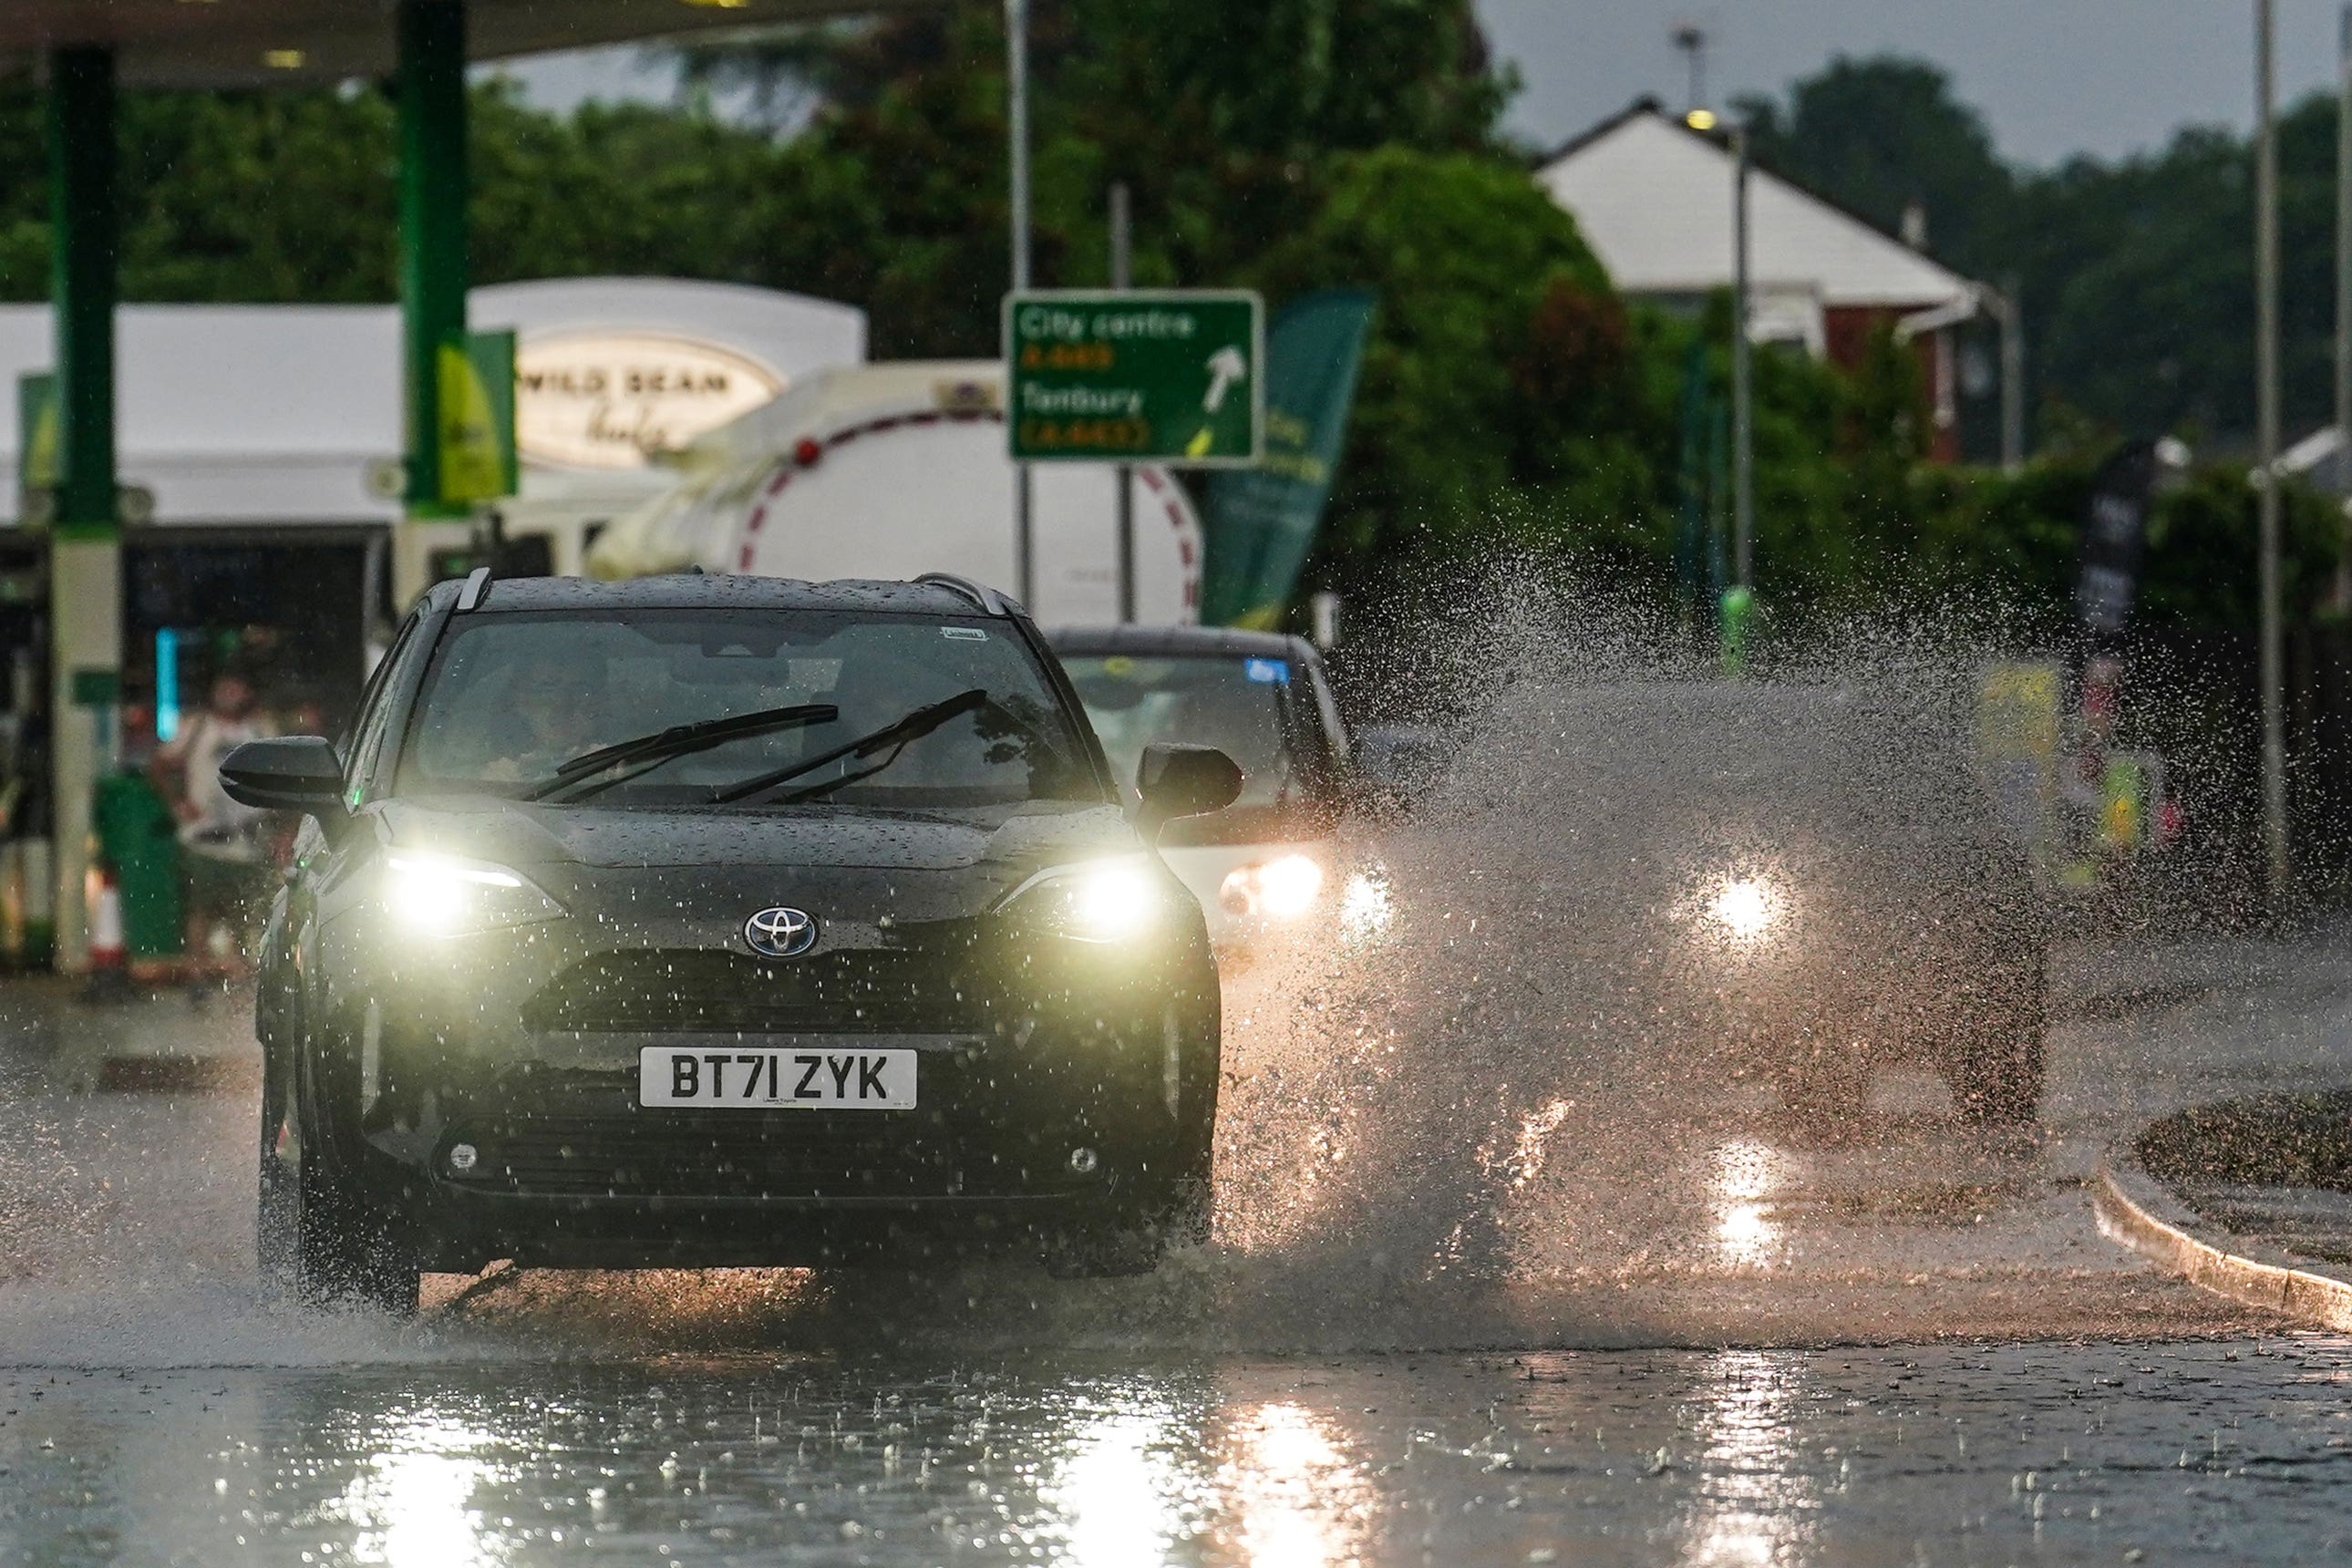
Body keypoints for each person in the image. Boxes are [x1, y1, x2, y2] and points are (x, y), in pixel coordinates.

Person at [150, 673, 273, 977]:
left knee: (244, 912)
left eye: (236, 686)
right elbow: (160, 765)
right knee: (200, 909)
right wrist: (178, 804)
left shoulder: (259, 728)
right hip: (202, 838)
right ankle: (199, 972)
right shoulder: (196, 726)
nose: (230, 693)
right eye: (225, 687)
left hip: (247, 839)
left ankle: (240, 973)